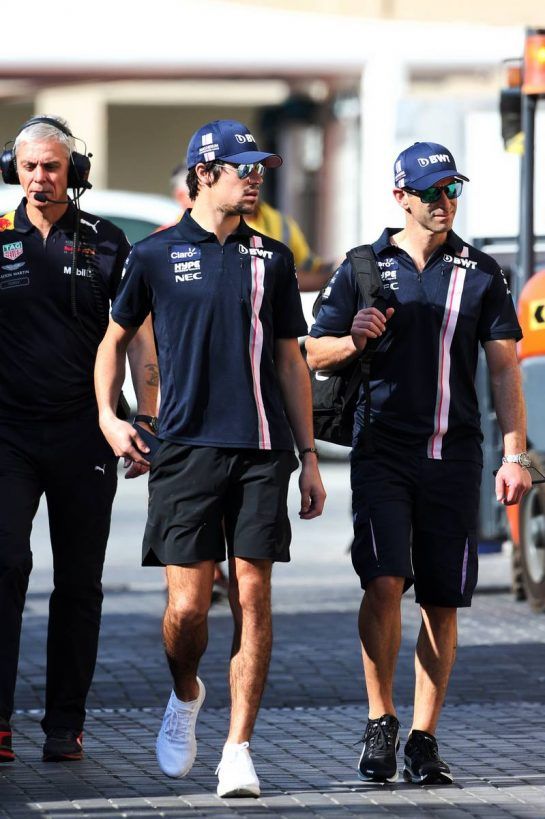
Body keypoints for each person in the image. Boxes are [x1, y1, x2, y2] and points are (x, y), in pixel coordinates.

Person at [95, 118, 326, 797]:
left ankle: (238, 748)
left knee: (252, 591)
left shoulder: (272, 257)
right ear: (204, 173)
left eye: (258, 167)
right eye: (241, 166)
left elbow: (290, 358)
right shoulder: (155, 254)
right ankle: (186, 692)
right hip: (183, 449)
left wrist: (308, 455)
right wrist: (109, 416)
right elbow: (113, 341)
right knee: (188, 610)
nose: (254, 176)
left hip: (261, 449)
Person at [306, 141, 531, 785]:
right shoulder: (361, 268)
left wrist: (515, 454)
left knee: (442, 598)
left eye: (451, 190)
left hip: (455, 456)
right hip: (384, 454)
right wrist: (355, 338)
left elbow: (504, 369)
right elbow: (312, 353)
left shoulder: (483, 271)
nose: (444, 203)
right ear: (401, 196)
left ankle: (425, 738)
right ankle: (381, 719)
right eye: (431, 192)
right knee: (382, 582)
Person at [0, 116, 157, 765]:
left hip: (85, 432)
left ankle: (66, 722)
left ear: (75, 172)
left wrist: (144, 417)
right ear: (16, 169)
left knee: (79, 584)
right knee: (5, 566)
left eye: (53, 166)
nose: (41, 178)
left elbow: (139, 336)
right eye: (31, 166)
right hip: (7, 434)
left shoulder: (108, 242)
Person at [162, 163, 332, 292]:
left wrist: (337, 272)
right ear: (205, 177)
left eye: (258, 169)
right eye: (243, 170)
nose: (256, 180)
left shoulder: (279, 221)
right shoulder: (169, 238)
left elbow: (311, 268)